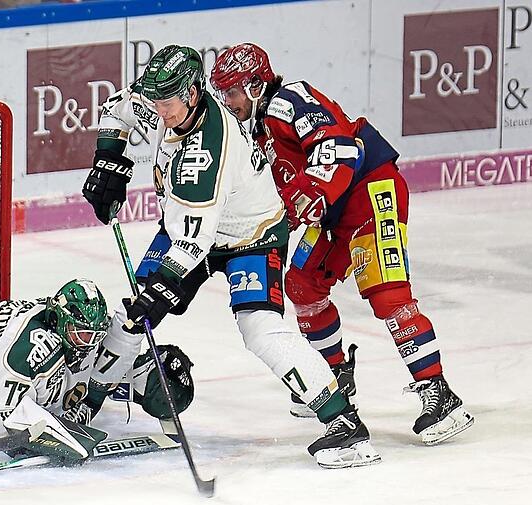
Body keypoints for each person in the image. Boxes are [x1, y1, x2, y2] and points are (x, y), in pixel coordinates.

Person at [82, 44, 380, 468]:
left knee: (258, 328)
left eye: (166, 104)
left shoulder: (206, 153)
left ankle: (344, 424)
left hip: (251, 235)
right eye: (156, 102)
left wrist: (163, 287)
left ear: (190, 94)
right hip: (195, 225)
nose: (159, 112)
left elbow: (192, 243)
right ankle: (84, 401)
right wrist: (109, 162)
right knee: (136, 314)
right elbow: (118, 109)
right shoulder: (164, 99)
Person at [209, 43, 475, 445]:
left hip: (370, 190)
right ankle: (335, 374)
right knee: (302, 283)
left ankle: (439, 393)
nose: (227, 102)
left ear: (254, 83)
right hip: (333, 210)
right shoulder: (258, 129)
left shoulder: (287, 100)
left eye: (231, 92)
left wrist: (314, 191)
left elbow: (342, 148)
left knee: (386, 294)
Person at [0, 279, 195, 463]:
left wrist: (132, 327)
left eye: (95, 335)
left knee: (76, 382)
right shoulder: (35, 345)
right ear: (61, 322)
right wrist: (26, 442)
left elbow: (113, 341)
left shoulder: (75, 330)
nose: (89, 343)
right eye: (83, 335)